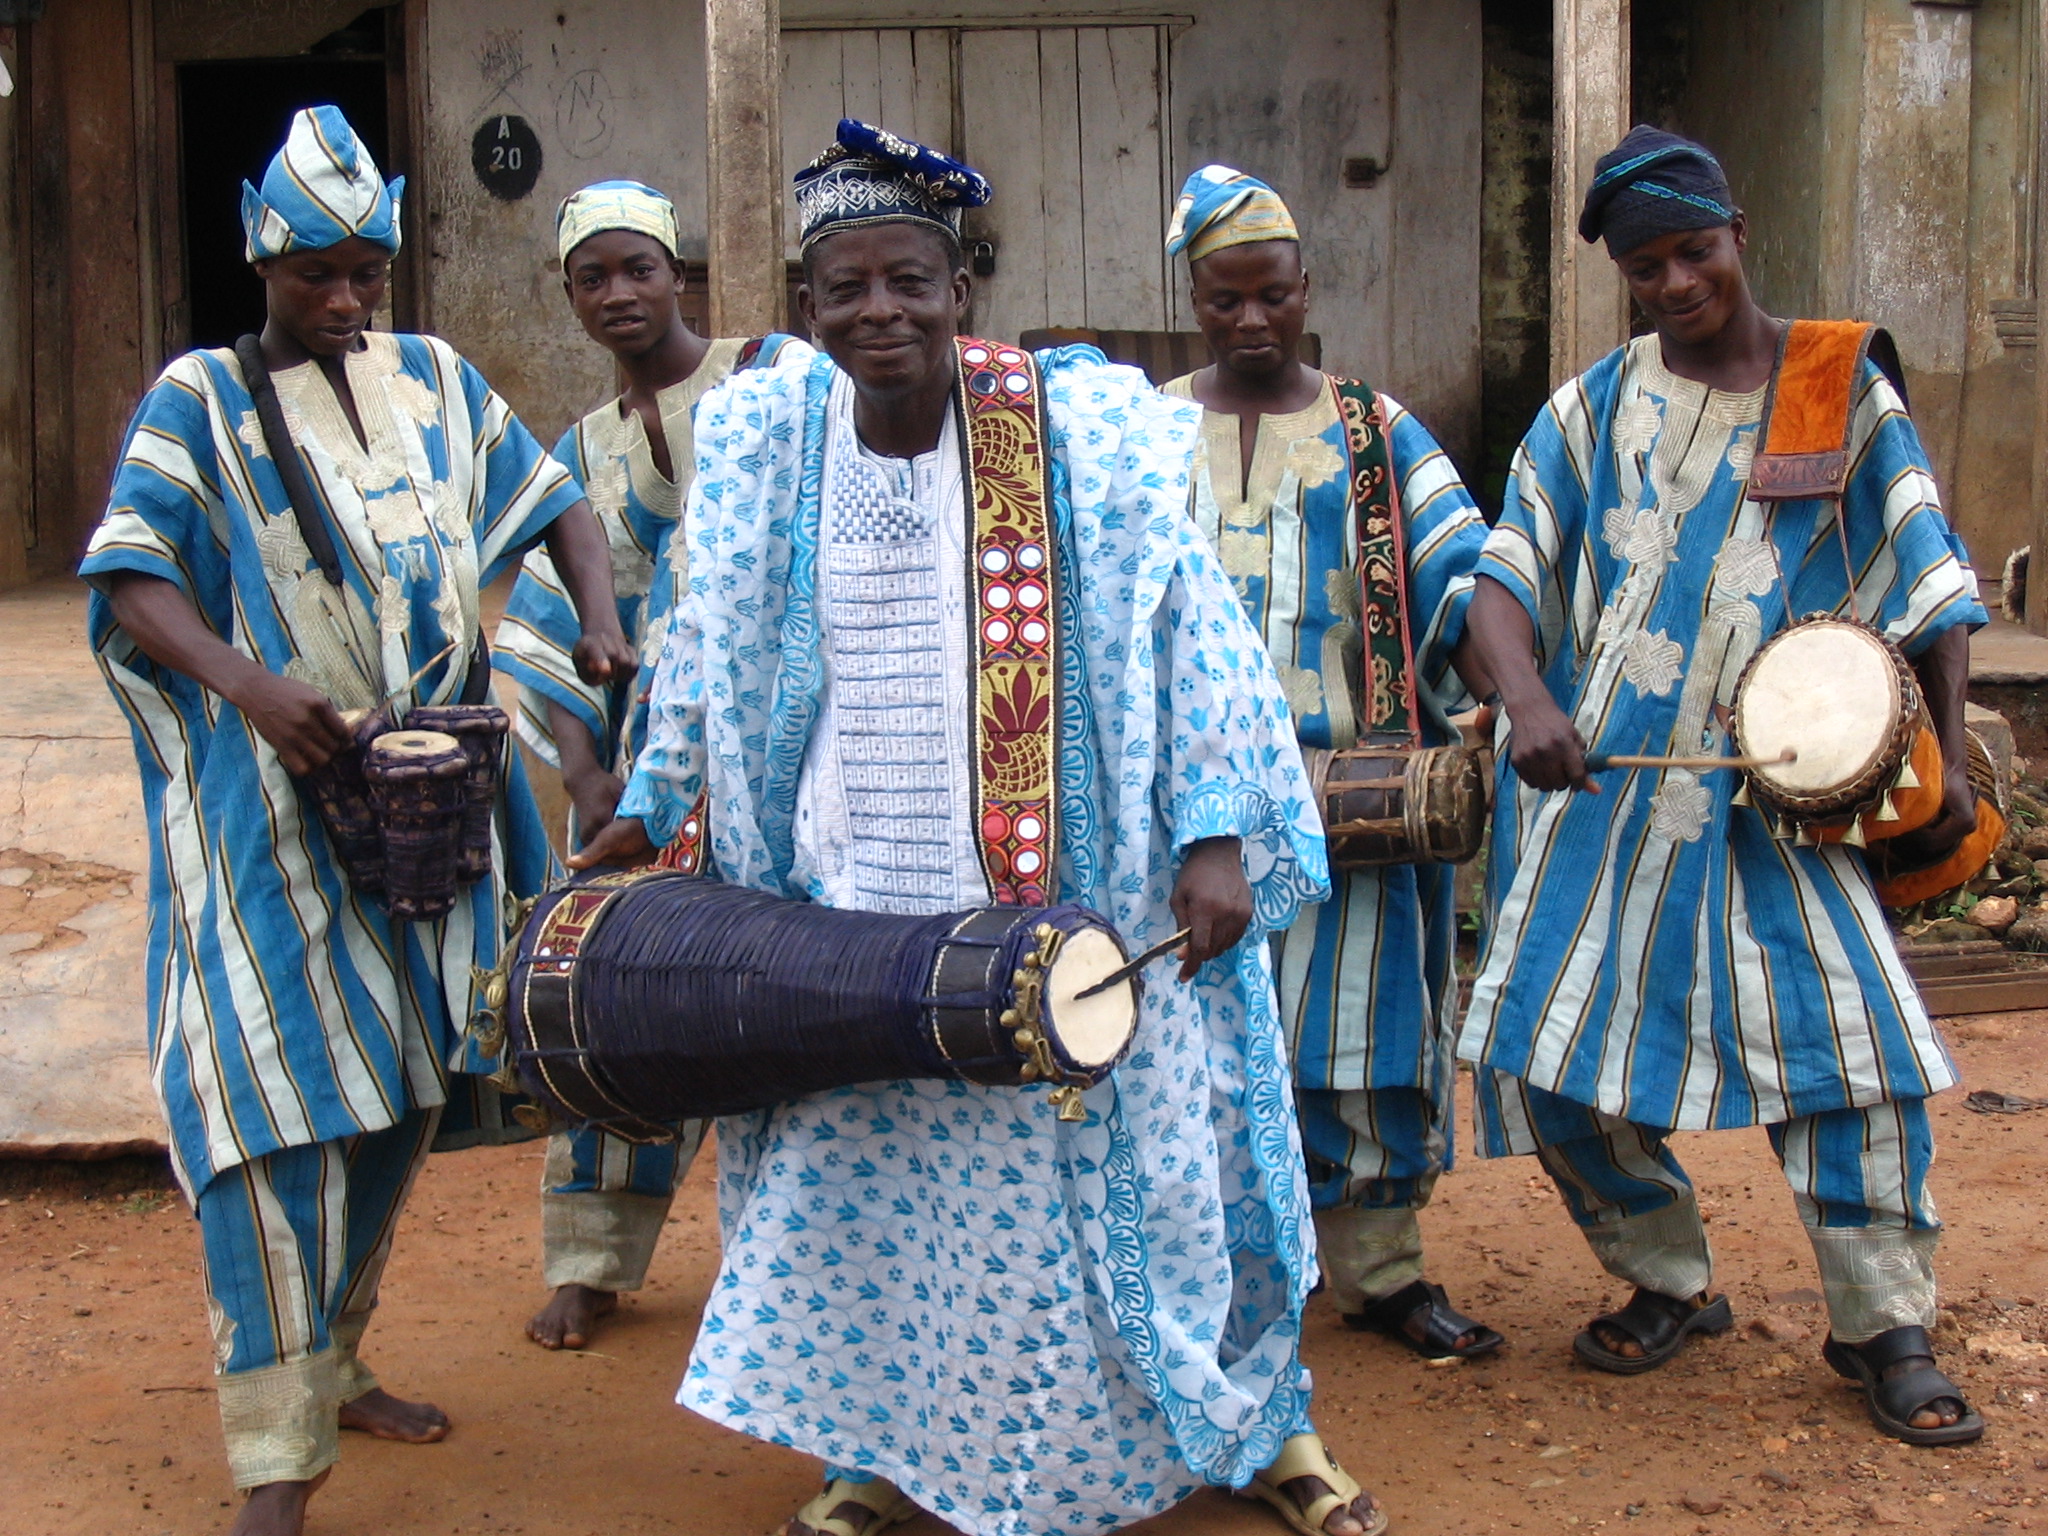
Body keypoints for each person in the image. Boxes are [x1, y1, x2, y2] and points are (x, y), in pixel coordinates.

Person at [573, 120, 1388, 1536]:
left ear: (963, 290)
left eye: (910, 282)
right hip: (847, 898)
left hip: (1083, 887)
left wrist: (1212, 837)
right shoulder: (771, 436)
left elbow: (1195, 621)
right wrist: (650, 805)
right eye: (846, 289)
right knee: (876, 1195)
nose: (879, 312)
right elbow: (702, 636)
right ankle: (875, 1453)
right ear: (808, 303)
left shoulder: (1079, 427)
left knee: (1156, 1184)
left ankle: (1260, 1428)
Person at [78, 106, 637, 1536]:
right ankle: (275, 1463)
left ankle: (334, 1363)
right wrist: (247, 682)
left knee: (399, 1099)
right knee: (273, 1113)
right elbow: (134, 575)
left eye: (366, 276)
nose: (344, 302)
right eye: (316, 275)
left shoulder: (438, 380)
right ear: (261, 264)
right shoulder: (195, 398)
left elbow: (553, 501)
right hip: (265, 822)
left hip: (433, 819)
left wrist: (600, 616)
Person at [1451, 125, 1985, 1445]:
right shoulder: (1589, 410)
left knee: (1853, 1061)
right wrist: (1525, 703)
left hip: (1783, 808)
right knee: (1551, 1058)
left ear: (1737, 231)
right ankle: (1668, 1277)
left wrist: (1952, 759)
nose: (1676, 282)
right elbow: (1501, 582)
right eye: (1647, 266)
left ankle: (1884, 1327)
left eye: (1693, 250)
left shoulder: (1834, 385)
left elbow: (1931, 580)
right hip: (1594, 804)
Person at [1163, 166, 1502, 1363]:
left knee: (1361, 1045)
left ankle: (1378, 1275)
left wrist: (1511, 691)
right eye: (1223, 299)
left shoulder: (1376, 432)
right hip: (1188, 807)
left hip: (1348, 796)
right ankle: (1209, 1278)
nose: (1250, 321)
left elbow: (1461, 576)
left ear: (1307, 289)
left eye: (1271, 296)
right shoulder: (1146, 433)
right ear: (1190, 296)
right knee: (1191, 1053)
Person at [496, 179, 808, 1352]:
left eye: (638, 267)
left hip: (785, 781)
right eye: (593, 276)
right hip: (651, 792)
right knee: (614, 1003)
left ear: (679, 269)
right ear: (569, 297)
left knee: (789, 1011)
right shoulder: (577, 450)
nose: (619, 292)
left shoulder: (772, 375)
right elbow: (545, 621)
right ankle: (593, 1258)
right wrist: (586, 776)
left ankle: (785, 1274)